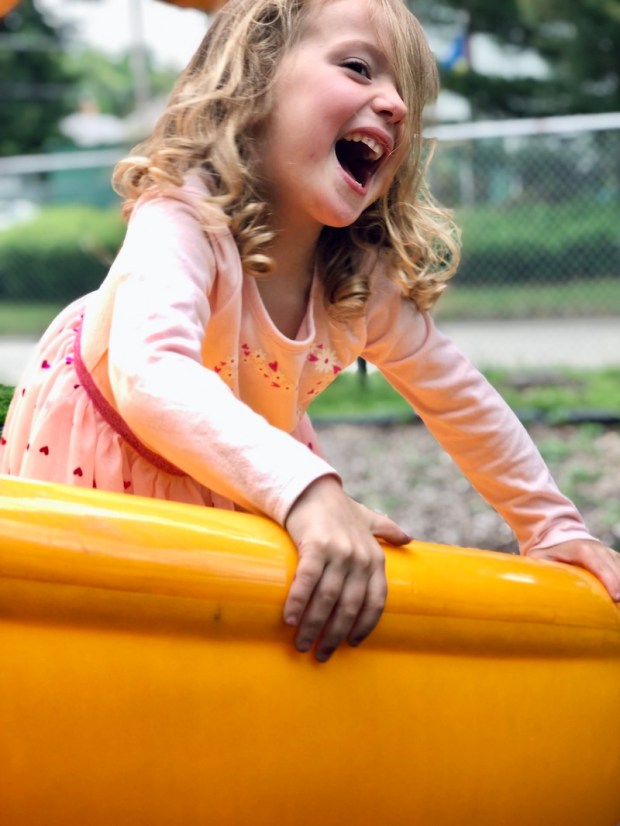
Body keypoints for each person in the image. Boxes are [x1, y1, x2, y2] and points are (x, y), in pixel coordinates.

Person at [1, 0, 619, 661]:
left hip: (242, 464)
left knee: (231, 640)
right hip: (105, 456)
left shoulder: (353, 278)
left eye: (405, 93)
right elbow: (150, 372)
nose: (396, 106)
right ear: (256, 78)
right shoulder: (184, 214)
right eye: (359, 68)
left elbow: (459, 397)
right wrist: (308, 489)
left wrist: (550, 525)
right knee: (93, 640)